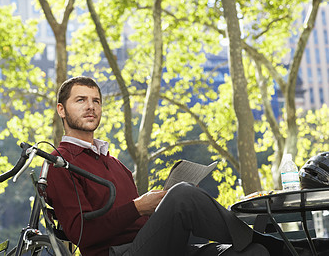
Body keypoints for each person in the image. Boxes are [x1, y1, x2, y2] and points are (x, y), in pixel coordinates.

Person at [45, 76, 311, 256]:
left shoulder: (113, 163)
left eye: (96, 101)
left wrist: (158, 207)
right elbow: (81, 234)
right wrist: (140, 206)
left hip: (160, 246)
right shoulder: (61, 164)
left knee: (255, 253)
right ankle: (282, 246)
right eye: (80, 100)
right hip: (120, 253)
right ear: (61, 109)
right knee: (183, 195)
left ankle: (267, 245)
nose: (91, 107)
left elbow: (133, 218)